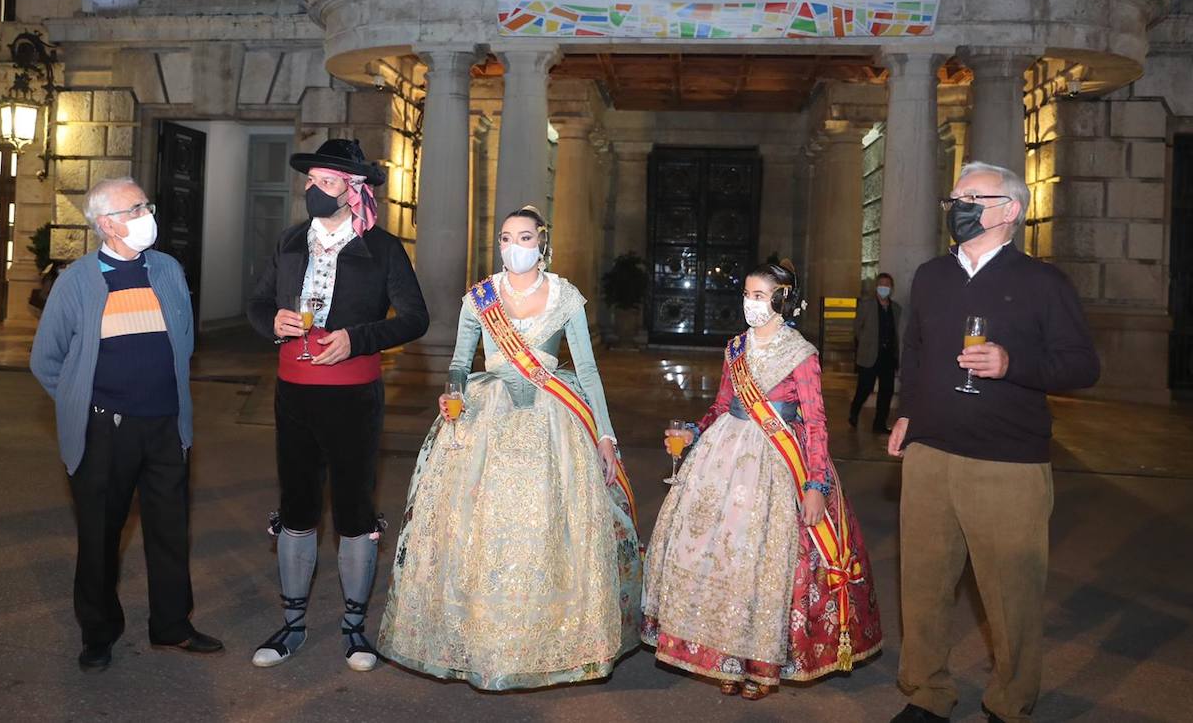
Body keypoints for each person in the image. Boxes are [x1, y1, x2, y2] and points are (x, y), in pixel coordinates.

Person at [379, 205, 643, 690]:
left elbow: (586, 371)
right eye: (504, 238)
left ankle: (546, 640)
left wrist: (605, 435)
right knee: (479, 526)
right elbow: (460, 362)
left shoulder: (565, 297)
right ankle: (481, 640)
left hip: (553, 419)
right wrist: (453, 390)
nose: (512, 247)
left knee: (547, 524)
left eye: (523, 237)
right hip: (488, 416)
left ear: (542, 242)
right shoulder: (480, 298)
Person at [888, 161, 1100, 723]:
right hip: (930, 454)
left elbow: (1083, 365)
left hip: (1008, 464)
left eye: (970, 197)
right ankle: (926, 693)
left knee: (1011, 596)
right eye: (952, 198)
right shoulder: (931, 275)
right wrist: (908, 413)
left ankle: (1009, 704)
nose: (955, 208)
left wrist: (1012, 363)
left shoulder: (1042, 283)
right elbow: (913, 351)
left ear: (1007, 210)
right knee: (924, 586)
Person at [644, 261, 882, 700]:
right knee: (723, 561)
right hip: (724, 459)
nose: (749, 303)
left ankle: (760, 662)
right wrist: (695, 432)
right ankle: (727, 657)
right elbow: (720, 406)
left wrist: (816, 486)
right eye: (747, 295)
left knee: (763, 565)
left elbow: (815, 424)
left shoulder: (801, 354)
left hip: (777, 465)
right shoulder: (735, 347)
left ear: (782, 300)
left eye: (759, 296)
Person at [247, 138, 429, 674]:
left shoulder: (384, 249)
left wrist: (359, 337)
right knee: (298, 505)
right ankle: (293, 624)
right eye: (310, 181)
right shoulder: (288, 242)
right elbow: (258, 302)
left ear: (354, 191)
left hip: (353, 395)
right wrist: (269, 322)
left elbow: (415, 317)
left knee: (352, 509)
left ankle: (354, 629)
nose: (312, 190)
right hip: (293, 392)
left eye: (325, 182)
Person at [30, 177, 223, 672]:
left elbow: (184, 340)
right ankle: (98, 634)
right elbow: (46, 360)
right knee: (99, 536)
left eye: (146, 205)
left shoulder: (167, 270)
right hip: (104, 431)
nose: (147, 214)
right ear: (107, 224)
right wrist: (81, 401)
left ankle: (173, 626)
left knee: (169, 531)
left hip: (165, 426)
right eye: (136, 208)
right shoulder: (76, 282)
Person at [849, 272, 904, 433]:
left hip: (888, 357)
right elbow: (857, 328)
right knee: (865, 388)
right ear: (876, 287)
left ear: (891, 288)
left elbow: (897, 332)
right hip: (869, 355)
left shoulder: (896, 309)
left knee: (886, 392)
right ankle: (854, 411)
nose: (884, 288)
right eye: (881, 284)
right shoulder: (866, 305)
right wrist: (866, 343)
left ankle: (879, 424)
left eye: (887, 285)